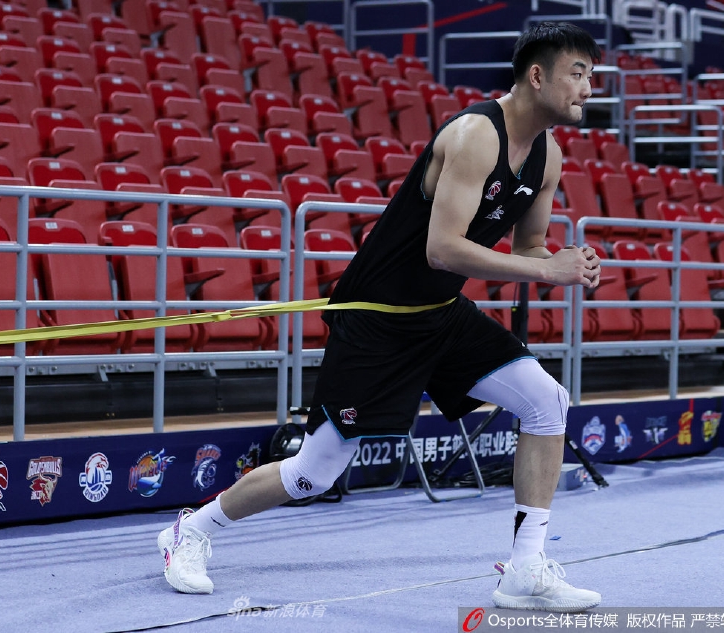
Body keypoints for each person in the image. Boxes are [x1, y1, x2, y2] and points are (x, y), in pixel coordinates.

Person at [157, 22, 603, 613]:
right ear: (538, 75)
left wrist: (564, 263)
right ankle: (191, 530)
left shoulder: (547, 156)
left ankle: (525, 569)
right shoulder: (475, 136)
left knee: (547, 401)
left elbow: (530, 248)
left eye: (591, 76)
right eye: (578, 73)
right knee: (313, 474)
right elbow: (442, 250)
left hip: (440, 313)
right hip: (378, 318)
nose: (588, 88)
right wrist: (548, 272)